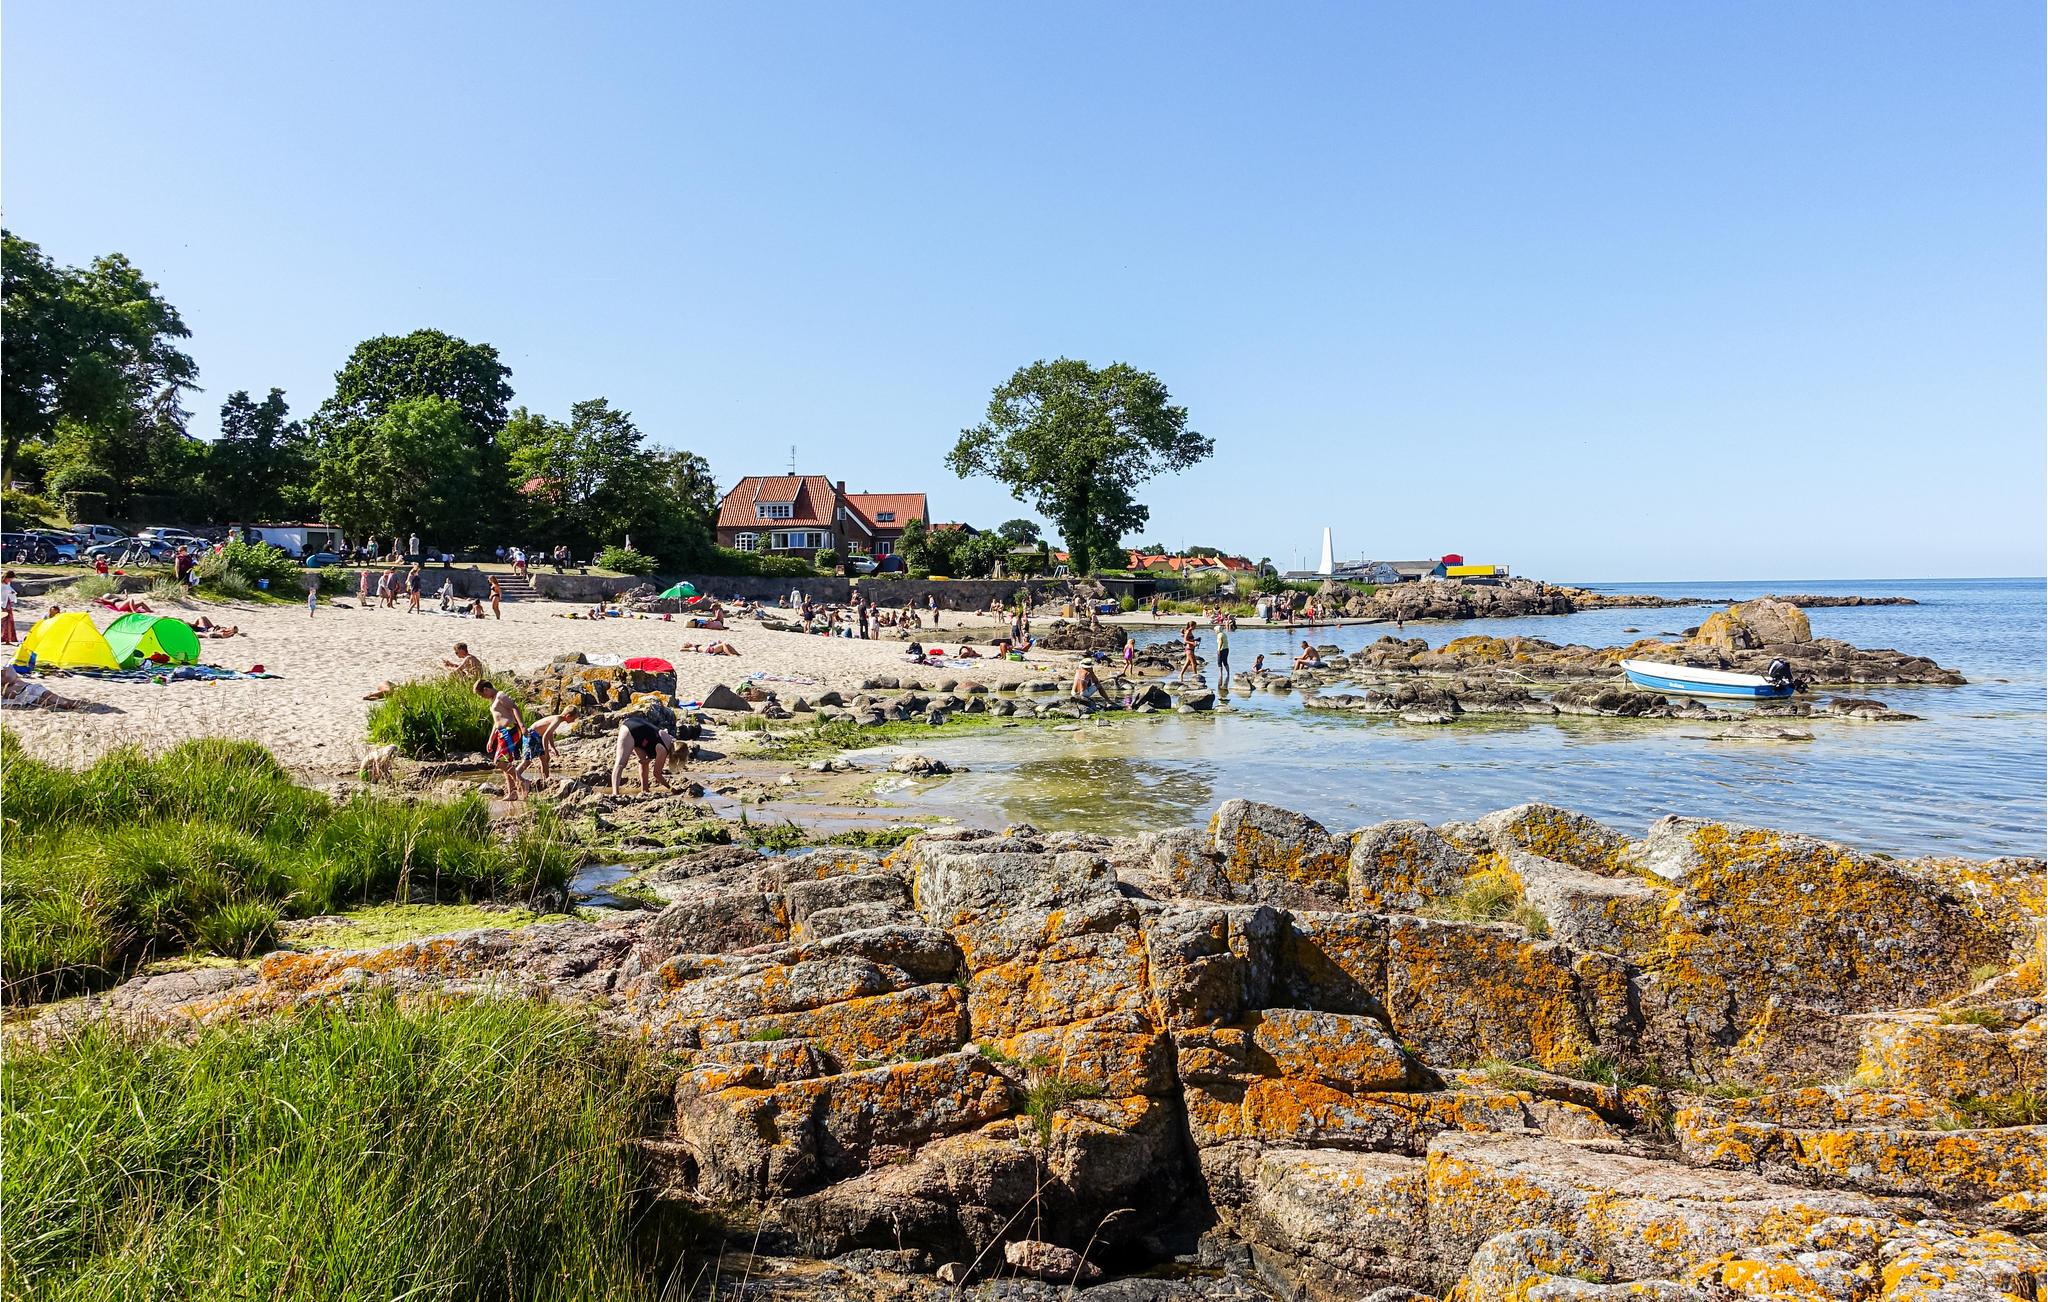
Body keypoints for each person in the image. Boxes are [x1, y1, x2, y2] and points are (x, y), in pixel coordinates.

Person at [472, 679, 528, 800]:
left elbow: (515, 708)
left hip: (510, 730)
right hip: (502, 732)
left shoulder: (500, 696)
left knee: (499, 762)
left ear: (486, 689)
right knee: (506, 762)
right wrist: (491, 739)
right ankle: (512, 793)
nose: (482, 697)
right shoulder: (493, 700)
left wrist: (522, 726)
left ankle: (522, 781)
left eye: (481, 695)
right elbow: (496, 721)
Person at [611, 715, 682, 795]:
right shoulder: (663, 750)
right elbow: (657, 774)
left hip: (639, 730)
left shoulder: (672, 740)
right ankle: (615, 794)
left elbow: (653, 745)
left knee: (643, 762)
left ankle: (645, 790)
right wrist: (671, 789)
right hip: (630, 729)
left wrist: (649, 758)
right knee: (621, 763)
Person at [515, 706, 577, 783]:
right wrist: (547, 752)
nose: (574, 721)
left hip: (537, 736)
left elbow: (549, 734)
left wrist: (552, 747)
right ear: (568, 716)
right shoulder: (557, 720)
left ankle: (546, 780)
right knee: (527, 761)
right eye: (573, 718)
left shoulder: (558, 719)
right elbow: (545, 736)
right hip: (531, 736)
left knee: (544, 760)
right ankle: (516, 774)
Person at [0, 569, 15, 645]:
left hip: (8, 603)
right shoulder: (1, 585)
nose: (10, 580)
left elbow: (10, 590)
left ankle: (8, 639)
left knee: (9, 621)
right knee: (3, 621)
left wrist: (13, 594)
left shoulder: (8, 583)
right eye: (10, 579)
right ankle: (2, 638)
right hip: (2, 604)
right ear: (6, 577)